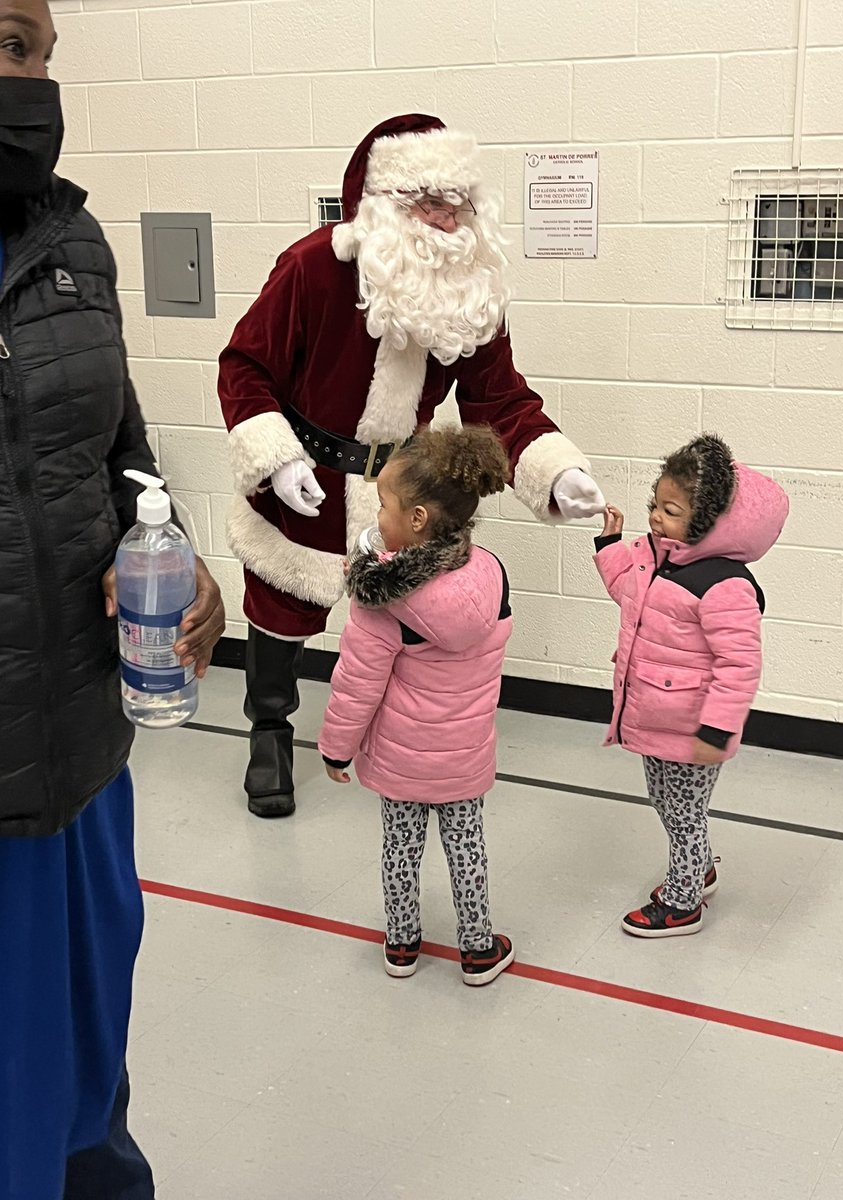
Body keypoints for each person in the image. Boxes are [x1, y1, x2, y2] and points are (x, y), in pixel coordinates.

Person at [218, 113, 606, 819]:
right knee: (280, 608)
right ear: (383, 203)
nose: (446, 219)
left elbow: (499, 399)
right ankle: (268, 729)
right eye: (428, 201)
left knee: (404, 622)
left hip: (403, 487)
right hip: (306, 472)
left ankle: (400, 738)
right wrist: (275, 458)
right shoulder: (311, 267)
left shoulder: (472, 290)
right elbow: (245, 366)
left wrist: (555, 470)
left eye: (457, 202)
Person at [0, 3, 226, 1196]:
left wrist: (172, 550)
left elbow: (122, 457)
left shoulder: (74, 245)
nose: (22, 78)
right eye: (1, 40)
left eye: (31, 48)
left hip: (84, 757)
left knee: (90, 1078)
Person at [319, 426, 515, 985]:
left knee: (400, 849)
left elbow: (357, 684)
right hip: (464, 756)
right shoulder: (491, 573)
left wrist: (336, 749)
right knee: (467, 849)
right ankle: (478, 949)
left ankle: (401, 945)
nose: (377, 515)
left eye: (384, 505)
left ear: (418, 518)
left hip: (402, 761)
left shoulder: (384, 601)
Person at [593, 435, 788, 938]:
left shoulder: (725, 584)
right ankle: (698, 869)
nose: (656, 518)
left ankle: (683, 904)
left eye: (671, 511)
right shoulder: (659, 558)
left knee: (683, 814)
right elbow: (629, 595)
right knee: (666, 802)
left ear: (706, 521)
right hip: (655, 716)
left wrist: (717, 729)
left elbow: (739, 663)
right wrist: (610, 546)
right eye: (655, 505)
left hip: (693, 725)